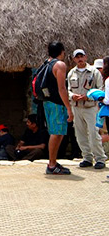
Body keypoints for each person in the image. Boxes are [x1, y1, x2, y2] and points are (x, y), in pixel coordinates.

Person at [67, 48, 106, 169]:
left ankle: (100, 158)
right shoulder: (71, 73)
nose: (79, 59)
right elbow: (67, 89)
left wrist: (88, 97)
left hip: (91, 107)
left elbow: (101, 89)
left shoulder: (94, 72)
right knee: (80, 134)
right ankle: (87, 157)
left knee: (94, 133)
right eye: (77, 57)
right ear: (74, 59)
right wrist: (73, 96)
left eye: (81, 56)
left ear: (85, 57)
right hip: (76, 107)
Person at [40, 41, 74, 175]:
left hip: (47, 102)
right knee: (56, 133)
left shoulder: (47, 63)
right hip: (57, 104)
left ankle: (53, 161)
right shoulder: (59, 65)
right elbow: (62, 88)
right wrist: (69, 108)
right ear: (62, 51)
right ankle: (52, 165)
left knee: (57, 132)